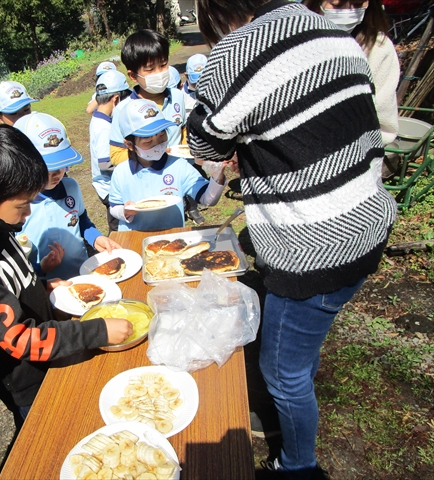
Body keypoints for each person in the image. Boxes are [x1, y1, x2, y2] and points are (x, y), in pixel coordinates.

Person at [187, 0, 397, 478]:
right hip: (368, 223)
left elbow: (205, 144)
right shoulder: (328, 31)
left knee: (283, 372)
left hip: (317, 249)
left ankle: (299, 467)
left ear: (212, 14)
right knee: (300, 350)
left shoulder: (235, 53)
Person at [0, 123, 132, 432]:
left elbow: (18, 280)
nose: (28, 214)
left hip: (54, 352)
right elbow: (19, 338)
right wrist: (95, 331)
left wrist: (45, 286)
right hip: (30, 386)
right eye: (22, 206)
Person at [109, 29, 206, 225]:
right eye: (150, 70)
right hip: (143, 186)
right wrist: (152, 155)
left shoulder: (178, 96)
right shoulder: (123, 110)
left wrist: (186, 151)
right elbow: (116, 154)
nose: (159, 74)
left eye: (163, 66)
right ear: (133, 75)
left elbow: (182, 131)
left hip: (175, 180)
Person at [14, 112, 121, 279]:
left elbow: (82, 220)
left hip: (81, 275)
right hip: (44, 287)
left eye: (62, 165)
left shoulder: (71, 187)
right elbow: (15, 265)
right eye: (49, 168)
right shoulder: (16, 206)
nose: (57, 173)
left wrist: (96, 238)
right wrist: (40, 267)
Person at [109, 98, 228, 232]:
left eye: (162, 137)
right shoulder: (121, 172)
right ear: (129, 145)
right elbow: (114, 206)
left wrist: (217, 176)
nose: (157, 145)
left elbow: (207, 199)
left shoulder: (179, 166)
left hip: (172, 236)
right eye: (148, 142)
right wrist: (124, 211)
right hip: (134, 237)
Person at [305, 0, 400, 144]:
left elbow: (383, 123)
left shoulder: (378, 48)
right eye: (336, 4)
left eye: (357, 4)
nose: (347, 11)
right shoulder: (290, 40)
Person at [90, 71, 133, 233]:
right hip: (108, 188)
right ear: (116, 99)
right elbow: (105, 164)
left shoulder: (98, 118)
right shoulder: (104, 128)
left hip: (105, 185)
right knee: (117, 228)